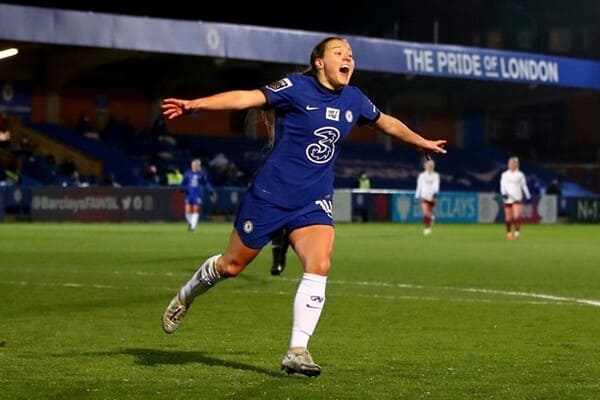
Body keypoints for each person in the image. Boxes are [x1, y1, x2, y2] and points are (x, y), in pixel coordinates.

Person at [160, 36, 447, 377]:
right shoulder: (295, 88)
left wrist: (420, 141)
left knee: (320, 263)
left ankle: (297, 350)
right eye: (339, 53)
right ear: (319, 62)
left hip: (313, 200)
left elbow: (386, 121)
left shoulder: (354, 99)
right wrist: (198, 105)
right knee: (231, 266)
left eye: (351, 55)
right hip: (270, 196)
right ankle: (185, 296)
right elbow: (246, 98)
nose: (348, 59)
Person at [500, 156, 531, 240]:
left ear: (516, 164)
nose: (510, 165)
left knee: (516, 216)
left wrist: (528, 196)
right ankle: (509, 233)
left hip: (517, 197)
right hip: (508, 198)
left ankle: (517, 232)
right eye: (509, 163)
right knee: (508, 218)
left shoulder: (520, 175)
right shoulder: (504, 174)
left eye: (512, 163)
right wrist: (503, 195)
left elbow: (524, 186)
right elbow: (502, 186)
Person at [181, 158, 215, 232]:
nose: (194, 166)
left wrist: (210, 190)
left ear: (198, 165)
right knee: (187, 211)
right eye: (193, 164)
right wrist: (182, 188)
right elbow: (183, 183)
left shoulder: (201, 174)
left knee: (195, 210)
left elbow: (205, 183)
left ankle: (193, 227)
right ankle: (190, 223)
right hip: (189, 194)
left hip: (197, 194)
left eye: (196, 165)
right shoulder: (187, 173)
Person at [414, 159, 440, 235]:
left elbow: (436, 185)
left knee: (430, 213)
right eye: (428, 166)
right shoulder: (422, 176)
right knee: (425, 213)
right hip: (424, 196)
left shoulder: (435, 175)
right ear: (425, 166)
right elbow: (419, 186)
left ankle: (431, 218)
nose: (429, 167)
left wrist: (435, 193)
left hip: (432, 197)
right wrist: (417, 196)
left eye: (431, 166)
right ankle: (426, 228)